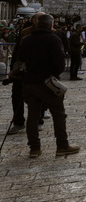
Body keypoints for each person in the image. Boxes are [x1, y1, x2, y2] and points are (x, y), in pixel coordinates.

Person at [19, 13, 80, 158]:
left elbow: (19, 62)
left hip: (29, 83)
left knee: (32, 116)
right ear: (51, 25)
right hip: (47, 83)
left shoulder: (26, 39)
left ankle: (34, 149)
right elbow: (60, 64)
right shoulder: (53, 39)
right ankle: (62, 146)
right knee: (59, 114)